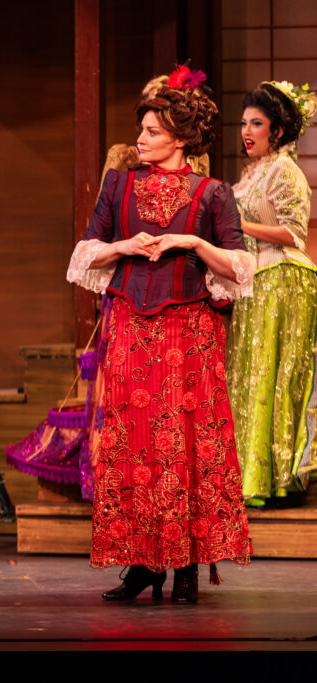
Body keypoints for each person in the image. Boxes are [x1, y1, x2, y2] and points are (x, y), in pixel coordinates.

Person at [67, 65, 254, 603]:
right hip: (131, 325)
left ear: (179, 137)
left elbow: (239, 265)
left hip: (189, 328)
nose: (140, 140)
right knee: (133, 443)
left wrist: (191, 243)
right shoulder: (118, 184)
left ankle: (188, 562)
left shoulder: (212, 193)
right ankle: (144, 562)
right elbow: (86, 252)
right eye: (142, 131)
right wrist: (126, 247)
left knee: (190, 442)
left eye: (151, 132)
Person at [227, 81, 317, 508]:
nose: (247, 131)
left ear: (276, 132)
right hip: (255, 280)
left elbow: (294, 234)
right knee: (253, 374)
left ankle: (279, 479)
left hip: (284, 279)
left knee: (275, 376)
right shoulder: (250, 174)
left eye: (256, 124)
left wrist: (239, 226)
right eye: (244, 123)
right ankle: (252, 477)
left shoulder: (285, 171)